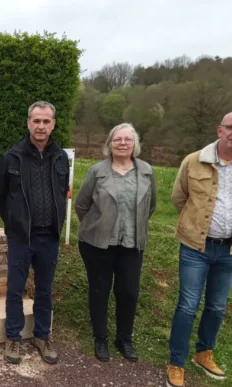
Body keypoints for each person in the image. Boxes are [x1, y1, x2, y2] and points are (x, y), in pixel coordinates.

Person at [166, 111, 232, 387]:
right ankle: (177, 362)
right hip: (195, 247)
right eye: (231, 127)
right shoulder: (194, 160)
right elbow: (179, 197)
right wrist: (196, 223)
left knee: (217, 306)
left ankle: (204, 353)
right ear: (219, 130)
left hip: (231, 250)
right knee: (187, 306)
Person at [0, 101, 70, 365]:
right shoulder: (11, 157)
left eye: (46, 121)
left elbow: (61, 193)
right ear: (28, 123)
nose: (41, 126)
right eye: (36, 121)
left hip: (48, 237)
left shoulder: (60, 157)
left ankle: (41, 336)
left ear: (53, 125)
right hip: (20, 237)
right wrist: (14, 221)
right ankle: (13, 336)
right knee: (15, 289)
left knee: (45, 289)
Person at [74, 123, 157, 363]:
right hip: (98, 244)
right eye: (117, 139)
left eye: (127, 140)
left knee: (128, 292)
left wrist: (133, 227)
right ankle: (100, 338)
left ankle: (124, 339)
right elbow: (82, 204)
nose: (122, 143)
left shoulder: (146, 171)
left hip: (132, 245)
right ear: (110, 144)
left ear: (135, 145)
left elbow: (150, 206)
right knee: (99, 291)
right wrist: (96, 225)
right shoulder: (97, 171)